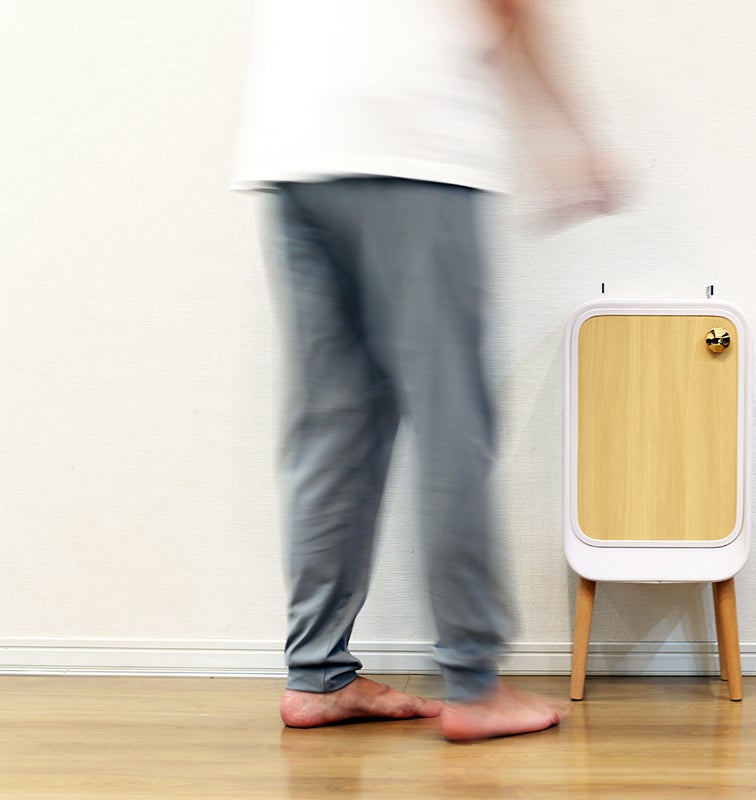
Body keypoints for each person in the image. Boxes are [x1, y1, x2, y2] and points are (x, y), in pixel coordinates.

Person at [233, 0, 617, 741]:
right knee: (451, 421)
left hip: (293, 143)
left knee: (333, 429)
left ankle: (316, 675)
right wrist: (568, 132)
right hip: (409, 142)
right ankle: (474, 683)